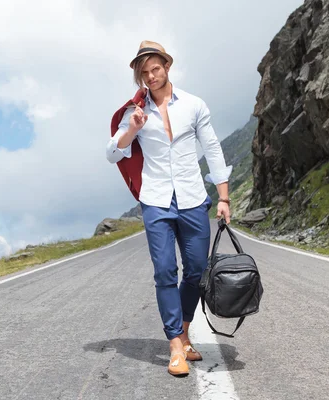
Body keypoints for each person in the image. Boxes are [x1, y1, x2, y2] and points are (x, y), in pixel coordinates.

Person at [106, 40, 232, 376]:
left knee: (195, 269)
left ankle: (185, 330)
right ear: (139, 76)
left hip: (192, 198)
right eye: (144, 73)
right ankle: (175, 344)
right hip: (156, 200)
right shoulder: (136, 111)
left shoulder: (193, 105)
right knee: (164, 271)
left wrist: (223, 197)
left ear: (167, 66)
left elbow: (213, 149)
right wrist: (132, 129)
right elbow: (111, 152)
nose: (151, 77)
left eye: (155, 69)